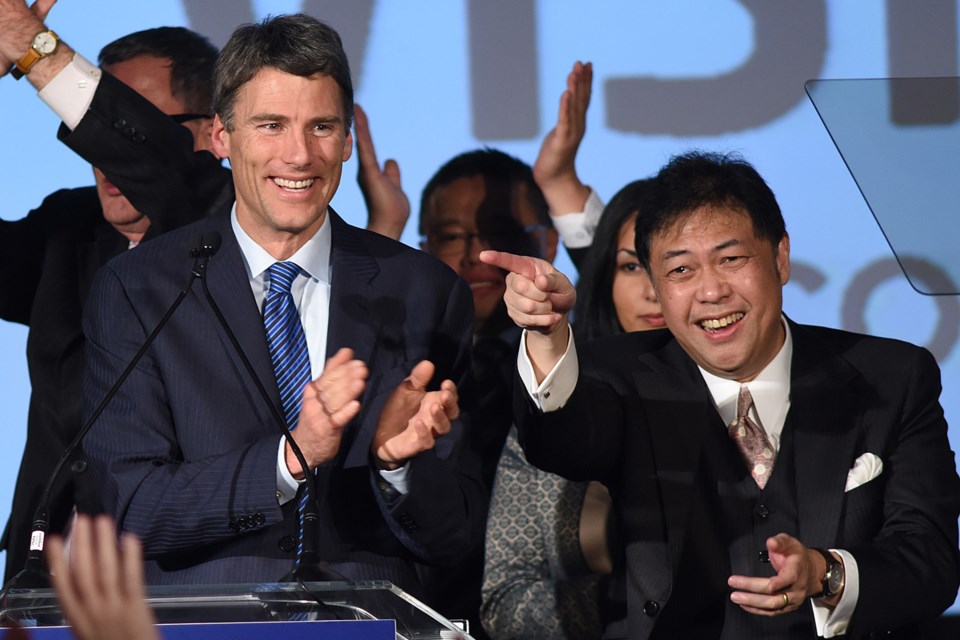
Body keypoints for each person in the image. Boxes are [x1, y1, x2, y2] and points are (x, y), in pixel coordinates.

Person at [82, 14, 485, 595]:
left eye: (321, 127)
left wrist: (397, 466)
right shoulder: (139, 288)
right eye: (271, 125)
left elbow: (457, 536)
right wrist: (288, 460)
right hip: (200, 623)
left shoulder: (423, 290)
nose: (299, 155)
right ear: (221, 136)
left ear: (347, 140)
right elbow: (129, 506)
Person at [482, 151, 960, 639]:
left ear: (780, 257)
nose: (711, 292)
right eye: (681, 271)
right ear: (656, 285)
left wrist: (825, 573)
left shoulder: (892, 377)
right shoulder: (618, 377)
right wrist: (545, 335)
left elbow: (930, 561)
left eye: (731, 259)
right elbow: (559, 441)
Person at [0, 0, 227, 581]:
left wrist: (33, 46)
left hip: (180, 586)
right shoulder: (68, 228)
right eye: (91, 130)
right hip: (44, 585)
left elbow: (169, 172)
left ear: (212, 132)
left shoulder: (231, 225)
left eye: (133, 124)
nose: (103, 155)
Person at [481, 179, 659, 639]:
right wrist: (631, 598)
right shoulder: (553, 400)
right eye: (632, 266)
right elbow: (502, 602)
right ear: (604, 277)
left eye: (675, 267)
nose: (654, 290)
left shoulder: (747, 402)